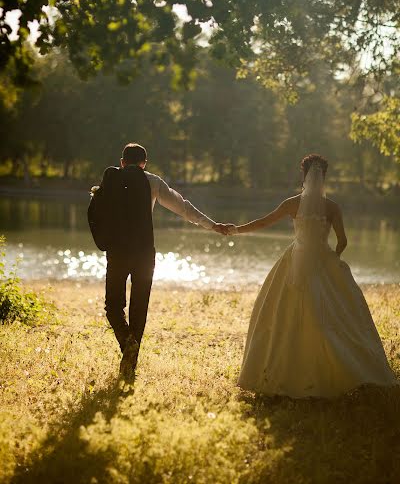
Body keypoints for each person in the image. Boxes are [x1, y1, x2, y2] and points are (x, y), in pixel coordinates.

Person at [226, 154, 397, 398]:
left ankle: (282, 371)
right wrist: (333, 258)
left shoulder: (291, 203)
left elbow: (263, 223)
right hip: (323, 258)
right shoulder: (332, 207)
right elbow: (343, 241)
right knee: (335, 314)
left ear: (303, 176)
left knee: (283, 312)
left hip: (295, 259)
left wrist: (234, 230)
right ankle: (341, 369)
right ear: (324, 177)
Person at [96, 143, 227, 380]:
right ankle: (131, 356)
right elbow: (183, 207)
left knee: (113, 307)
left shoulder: (112, 178)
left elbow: (99, 212)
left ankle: (127, 345)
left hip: (118, 252)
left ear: (123, 161)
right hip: (145, 252)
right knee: (139, 307)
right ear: (144, 163)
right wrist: (212, 225)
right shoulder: (152, 181)